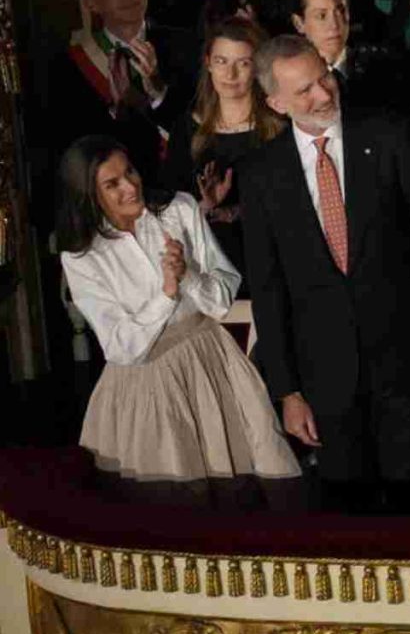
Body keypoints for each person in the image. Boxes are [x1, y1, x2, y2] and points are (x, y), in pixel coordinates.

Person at [239, 35, 410, 504]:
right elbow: (268, 288)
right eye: (304, 91)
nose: (323, 94)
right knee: (347, 516)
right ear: (276, 102)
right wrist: (288, 392)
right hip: (326, 379)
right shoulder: (262, 174)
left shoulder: (388, 135)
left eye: (324, 77)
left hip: (405, 364)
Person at [56, 135, 301, 484]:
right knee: (172, 503)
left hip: (213, 362)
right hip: (143, 386)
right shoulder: (82, 256)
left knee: (250, 487)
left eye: (130, 172)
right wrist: (166, 294)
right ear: (88, 196)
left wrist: (187, 277)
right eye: (112, 184)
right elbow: (121, 347)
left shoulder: (179, 209)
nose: (129, 186)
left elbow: (220, 299)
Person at [52, 0, 197, 209]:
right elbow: (76, 154)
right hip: (116, 206)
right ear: (91, 1)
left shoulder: (188, 46)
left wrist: (159, 94)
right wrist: (118, 112)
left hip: (187, 195)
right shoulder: (71, 67)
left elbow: (201, 127)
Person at [162, 17, 285, 290]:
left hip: (272, 266)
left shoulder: (280, 129)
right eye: (221, 62)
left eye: (243, 63)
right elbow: (170, 209)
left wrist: (237, 211)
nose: (230, 75)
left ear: (257, 68)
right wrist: (205, 207)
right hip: (208, 272)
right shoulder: (186, 128)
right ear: (208, 62)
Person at [291, 0, 398, 108]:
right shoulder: (294, 82)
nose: (335, 24)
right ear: (299, 23)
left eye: (341, 11)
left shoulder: (382, 64)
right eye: (322, 16)